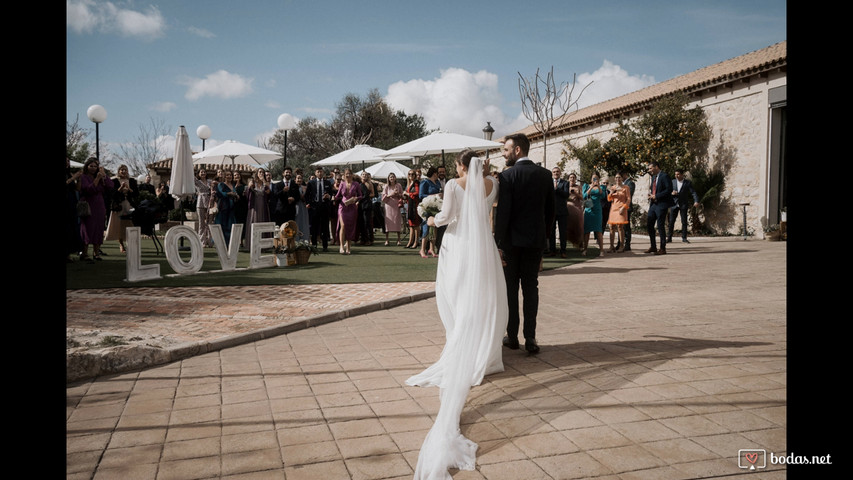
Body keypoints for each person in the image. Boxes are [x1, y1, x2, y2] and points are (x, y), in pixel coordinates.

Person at [406, 151, 508, 479]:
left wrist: (430, 215)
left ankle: (460, 342)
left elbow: (448, 217)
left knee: (457, 296)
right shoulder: (494, 184)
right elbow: (488, 214)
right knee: (484, 299)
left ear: (461, 166)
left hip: (459, 246)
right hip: (485, 249)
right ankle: (485, 352)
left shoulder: (453, 183)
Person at [494, 133, 555, 354]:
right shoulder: (545, 175)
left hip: (511, 242)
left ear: (517, 150)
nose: (504, 154)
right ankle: (531, 337)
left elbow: (504, 213)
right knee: (531, 288)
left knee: (511, 290)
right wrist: (544, 240)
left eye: (506, 150)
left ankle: (512, 336)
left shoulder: (507, 176)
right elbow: (551, 212)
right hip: (534, 242)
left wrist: (497, 242)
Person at [78, 156, 114, 263]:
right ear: (87, 166)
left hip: (100, 205)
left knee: (98, 228)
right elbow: (88, 190)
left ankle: (96, 253)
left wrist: (104, 176)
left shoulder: (101, 175)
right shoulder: (84, 177)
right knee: (88, 229)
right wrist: (97, 179)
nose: (93, 168)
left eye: (95, 166)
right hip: (88, 204)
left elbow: (110, 186)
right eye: (91, 166)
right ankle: (84, 253)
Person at [104, 164, 138, 253]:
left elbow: (136, 194)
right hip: (118, 206)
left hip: (129, 205)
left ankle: (131, 244)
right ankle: (121, 245)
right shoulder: (114, 181)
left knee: (130, 224)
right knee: (119, 225)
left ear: (127, 171)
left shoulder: (132, 181)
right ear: (119, 171)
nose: (123, 171)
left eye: (125, 169)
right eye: (121, 170)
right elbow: (113, 194)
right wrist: (121, 188)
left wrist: (129, 189)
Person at [646, 161, 674, 255]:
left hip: (661, 204)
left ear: (656, 167)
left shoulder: (664, 176)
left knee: (660, 226)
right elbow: (655, 189)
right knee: (649, 224)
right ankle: (653, 246)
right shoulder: (654, 177)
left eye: (650, 168)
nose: (649, 170)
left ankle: (663, 248)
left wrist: (657, 196)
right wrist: (651, 195)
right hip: (653, 204)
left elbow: (668, 190)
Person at [667, 168, 700, 243]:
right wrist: (672, 193)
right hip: (674, 204)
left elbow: (693, 192)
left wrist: (696, 201)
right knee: (671, 221)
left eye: (678, 174)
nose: (676, 176)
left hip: (683, 204)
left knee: (684, 222)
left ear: (682, 175)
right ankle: (669, 238)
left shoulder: (687, 183)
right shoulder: (672, 182)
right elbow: (667, 191)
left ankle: (684, 238)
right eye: (675, 174)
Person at [333, 169, 362, 255]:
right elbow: (338, 195)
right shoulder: (342, 184)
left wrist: (355, 199)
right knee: (343, 225)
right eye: (346, 174)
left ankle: (348, 246)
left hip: (352, 207)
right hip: (342, 207)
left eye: (349, 174)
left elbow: (360, 195)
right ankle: (341, 246)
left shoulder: (356, 184)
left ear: (352, 175)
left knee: (350, 227)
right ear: (344, 175)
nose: (348, 175)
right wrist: (333, 198)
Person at [305, 167, 333, 251]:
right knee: (314, 227)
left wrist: (329, 196)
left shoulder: (327, 182)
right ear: (315, 173)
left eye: (321, 172)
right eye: (318, 172)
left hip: (324, 206)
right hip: (314, 207)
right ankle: (314, 245)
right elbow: (307, 194)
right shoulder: (311, 182)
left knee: (325, 227)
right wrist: (308, 203)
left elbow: (331, 194)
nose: (320, 173)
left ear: (323, 173)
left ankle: (325, 246)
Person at [245, 168, 271, 251]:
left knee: (262, 222)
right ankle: (252, 244)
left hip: (263, 206)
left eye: (263, 172)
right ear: (257, 173)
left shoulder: (264, 184)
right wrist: (250, 187)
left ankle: (263, 245)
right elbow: (247, 194)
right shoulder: (253, 182)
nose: (262, 173)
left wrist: (264, 182)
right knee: (254, 222)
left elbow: (269, 192)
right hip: (254, 206)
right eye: (260, 172)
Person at [419, 167, 442, 258]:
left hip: (436, 207)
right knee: (426, 227)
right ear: (434, 173)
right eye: (437, 173)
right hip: (427, 207)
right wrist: (435, 195)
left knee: (435, 227)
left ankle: (431, 249)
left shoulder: (438, 183)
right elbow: (421, 195)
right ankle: (422, 249)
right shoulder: (425, 182)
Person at [548, 166, 571, 258]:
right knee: (551, 232)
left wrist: (557, 189)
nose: (556, 173)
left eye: (557, 172)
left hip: (562, 211)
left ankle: (563, 251)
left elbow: (566, 195)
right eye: (554, 172)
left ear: (560, 173)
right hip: (551, 211)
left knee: (562, 232)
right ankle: (552, 250)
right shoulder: (549, 183)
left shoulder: (565, 183)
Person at [606, 172, 631, 253]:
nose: (618, 179)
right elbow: (609, 199)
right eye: (616, 177)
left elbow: (628, 199)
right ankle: (611, 246)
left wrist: (624, 207)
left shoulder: (626, 187)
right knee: (611, 227)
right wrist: (611, 192)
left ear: (622, 178)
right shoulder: (613, 187)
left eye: (619, 177)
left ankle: (621, 246)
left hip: (621, 208)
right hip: (613, 208)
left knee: (620, 227)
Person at [581, 173, 605, 256]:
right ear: (591, 179)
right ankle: (585, 249)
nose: (595, 180)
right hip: (589, 210)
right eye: (593, 178)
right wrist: (591, 187)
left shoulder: (601, 187)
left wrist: (598, 186)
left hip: (597, 210)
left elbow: (603, 195)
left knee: (598, 231)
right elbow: (584, 196)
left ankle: (601, 250)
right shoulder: (586, 186)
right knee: (587, 231)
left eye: (596, 178)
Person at [66, 158, 83, 262]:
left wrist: (79, 179)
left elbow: (77, 188)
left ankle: (68, 254)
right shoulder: (70, 177)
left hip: (71, 203)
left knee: (71, 228)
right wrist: (73, 178)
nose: (67, 162)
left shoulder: (70, 174)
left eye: (68, 161)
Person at [214, 172, 238, 245]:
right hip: (223, 206)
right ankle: (220, 243)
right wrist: (229, 194)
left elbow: (235, 194)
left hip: (231, 207)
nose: (229, 176)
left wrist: (236, 196)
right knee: (222, 225)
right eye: (227, 175)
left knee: (230, 225)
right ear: (224, 176)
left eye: (230, 175)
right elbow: (222, 193)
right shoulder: (221, 184)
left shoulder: (233, 185)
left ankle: (229, 243)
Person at [381, 172, 404, 246]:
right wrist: (391, 194)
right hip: (388, 206)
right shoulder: (386, 186)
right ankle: (387, 240)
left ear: (395, 178)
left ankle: (399, 239)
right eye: (390, 177)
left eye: (393, 177)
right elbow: (383, 198)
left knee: (397, 221)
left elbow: (402, 195)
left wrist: (398, 194)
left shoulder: (398, 185)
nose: (392, 178)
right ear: (388, 178)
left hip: (396, 205)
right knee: (388, 222)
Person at [193, 168, 213, 247]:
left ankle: (210, 241)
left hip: (209, 202)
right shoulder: (197, 182)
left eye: (204, 172)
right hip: (200, 202)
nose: (203, 173)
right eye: (201, 172)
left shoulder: (210, 181)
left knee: (209, 222)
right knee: (201, 223)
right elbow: (191, 177)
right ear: (198, 174)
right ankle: (202, 242)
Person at [565, 172, 584, 249]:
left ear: (575, 179)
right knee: (567, 226)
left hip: (577, 207)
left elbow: (582, 198)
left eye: (573, 177)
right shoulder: (566, 186)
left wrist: (576, 193)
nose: (572, 179)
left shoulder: (578, 187)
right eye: (571, 177)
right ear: (568, 179)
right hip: (568, 208)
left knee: (579, 225)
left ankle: (580, 243)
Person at [359, 172, 378, 246]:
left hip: (367, 205)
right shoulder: (359, 184)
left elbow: (373, 194)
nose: (364, 176)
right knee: (361, 223)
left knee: (367, 222)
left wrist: (366, 196)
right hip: (360, 205)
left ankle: (369, 239)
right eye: (363, 175)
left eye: (366, 175)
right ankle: (363, 239)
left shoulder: (370, 184)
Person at [405, 169, 422, 249]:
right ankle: (410, 242)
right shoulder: (410, 183)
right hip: (410, 205)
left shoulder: (416, 183)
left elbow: (417, 193)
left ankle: (416, 242)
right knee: (411, 225)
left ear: (415, 175)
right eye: (409, 174)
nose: (410, 176)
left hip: (415, 205)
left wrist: (408, 194)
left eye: (412, 174)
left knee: (416, 225)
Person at [620, 171, 636, 251]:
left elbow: (629, 195)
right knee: (620, 227)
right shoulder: (620, 184)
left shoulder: (630, 183)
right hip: (618, 208)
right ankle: (620, 242)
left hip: (626, 207)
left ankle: (627, 244)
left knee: (626, 226)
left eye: (620, 176)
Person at [293, 172, 310, 241]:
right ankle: (296, 240)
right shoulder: (293, 187)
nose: (299, 180)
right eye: (298, 178)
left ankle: (304, 239)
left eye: (300, 178)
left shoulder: (305, 188)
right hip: (295, 207)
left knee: (304, 223)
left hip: (303, 207)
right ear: (295, 179)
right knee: (296, 223)